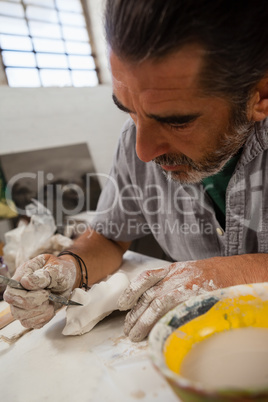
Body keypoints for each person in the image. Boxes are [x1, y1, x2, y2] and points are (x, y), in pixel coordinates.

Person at [4, 0, 268, 342]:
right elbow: (110, 236)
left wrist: (220, 275)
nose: (143, 151)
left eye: (177, 121)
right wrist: (72, 266)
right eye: (128, 111)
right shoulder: (134, 141)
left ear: (260, 94)